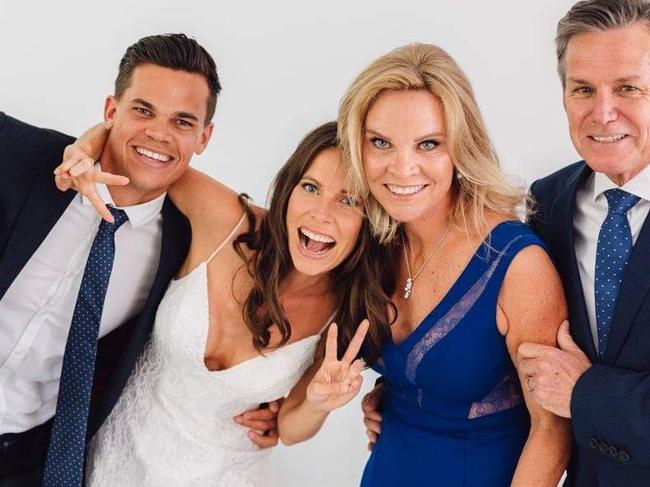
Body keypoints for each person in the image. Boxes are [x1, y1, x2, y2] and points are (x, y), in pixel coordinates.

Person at [0, 34, 275, 487]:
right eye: (143, 110)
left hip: (26, 462)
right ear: (111, 110)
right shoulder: (17, 155)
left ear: (204, 137)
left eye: (183, 122)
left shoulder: (184, 247)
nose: (159, 134)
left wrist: (287, 402)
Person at [57, 120, 395, 486]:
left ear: (371, 219)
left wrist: (318, 401)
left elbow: (289, 428)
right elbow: (142, 155)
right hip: (113, 465)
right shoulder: (227, 222)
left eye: (348, 200)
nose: (321, 213)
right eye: (311, 187)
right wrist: (83, 150)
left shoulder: (346, 313)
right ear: (289, 189)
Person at [342, 43, 571, 486]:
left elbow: (552, 427)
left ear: (460, 148)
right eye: (381, 143)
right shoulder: (377, 236)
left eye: (428, 144)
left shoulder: (517, 265)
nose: (402, 168)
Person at [516, 1, 650, 485]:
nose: (603, 112)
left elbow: (567, 384)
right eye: (584, 90)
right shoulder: (547, 201)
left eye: (628, 88)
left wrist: (585, 392)